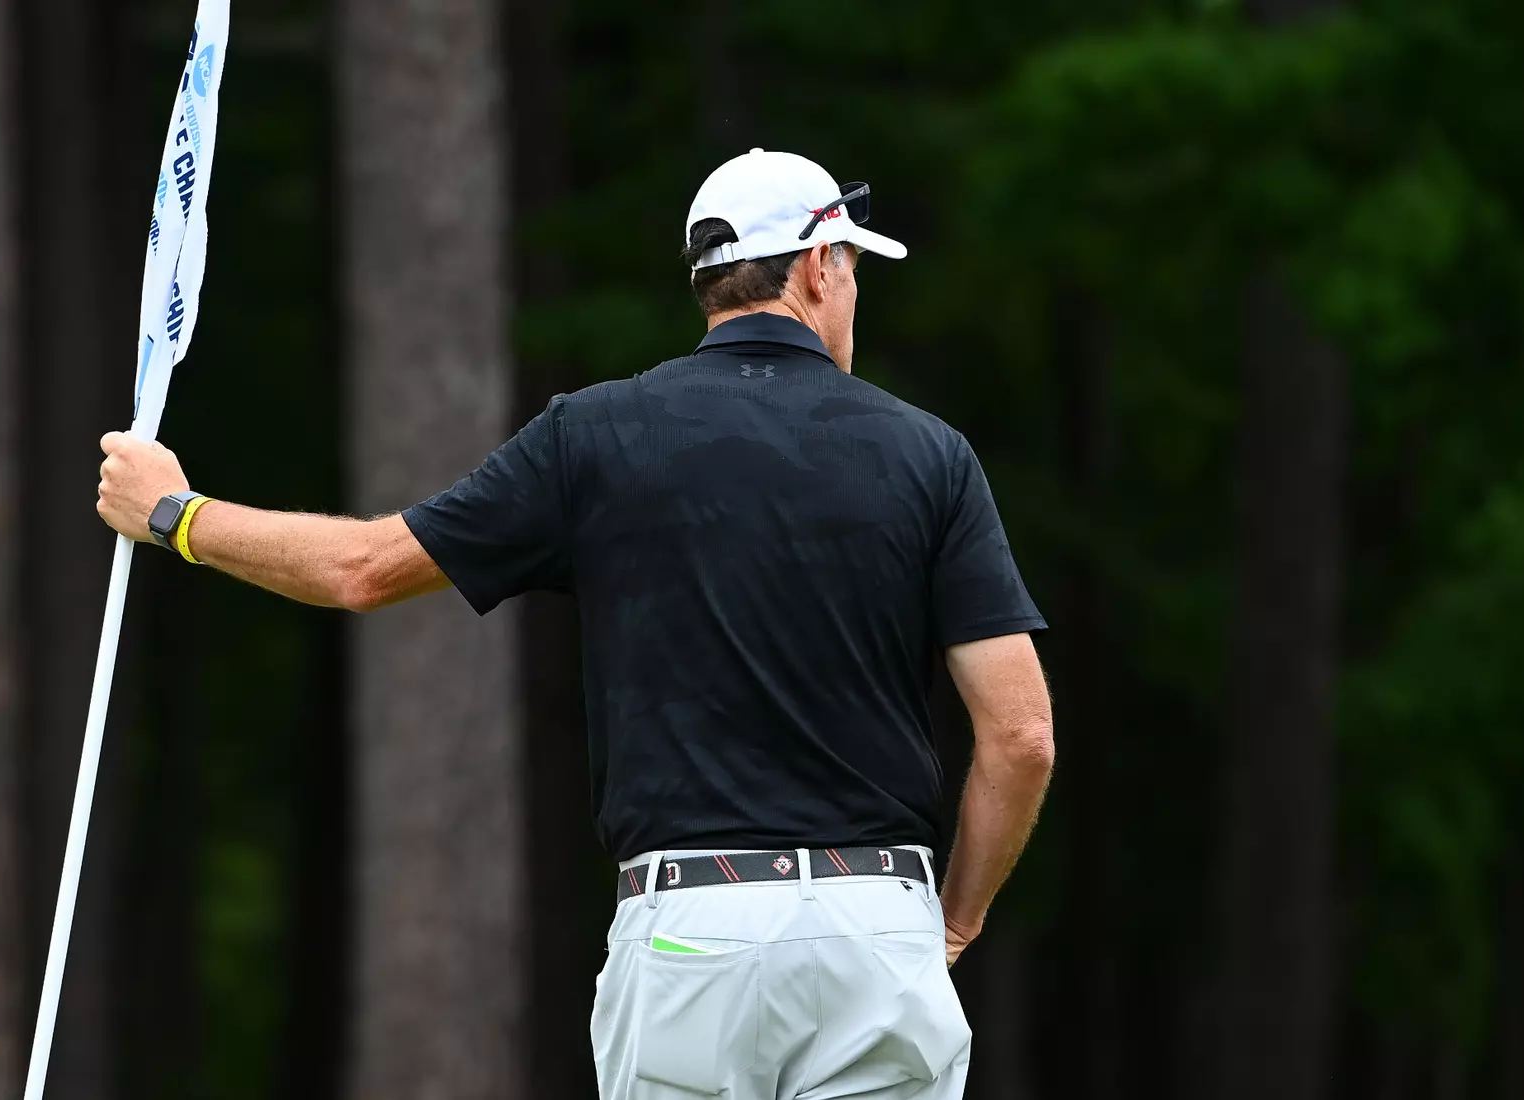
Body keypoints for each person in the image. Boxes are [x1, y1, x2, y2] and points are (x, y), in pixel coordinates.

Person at [97, 148, 1055, 1099]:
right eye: (849, 270)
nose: (851, 297)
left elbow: (360, 571)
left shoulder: (595, 436)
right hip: (874, 926)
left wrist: (176, 516)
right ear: (815, 267)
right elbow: (1020, 738)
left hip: (690, 932)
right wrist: (955, 922)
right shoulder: (933, 455)